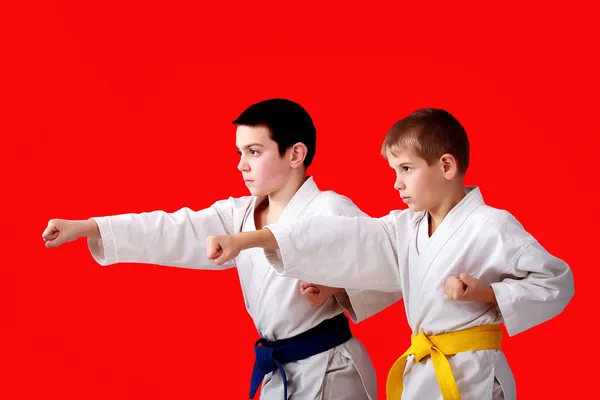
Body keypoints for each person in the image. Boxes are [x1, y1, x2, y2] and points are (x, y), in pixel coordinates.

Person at [42, 98, 402, 400]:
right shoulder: (240, 214)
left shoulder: (331, 209)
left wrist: (337, 288)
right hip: (282, 370)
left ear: (296, 154)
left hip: (330, 369)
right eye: (240, 151)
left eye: (254, 151)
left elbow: (390, 262)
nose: (241, 164)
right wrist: (89, 227)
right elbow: (171, 229)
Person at [205, 108, 575, 400]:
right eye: (394, 170)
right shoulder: (407, 225)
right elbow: (351, 238)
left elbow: (556, 282)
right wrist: (255, 241)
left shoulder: (492, 225)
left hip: (474, 373)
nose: (396, 182)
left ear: (446, 166)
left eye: (406, 169)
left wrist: (485, 293)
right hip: (423, 367)